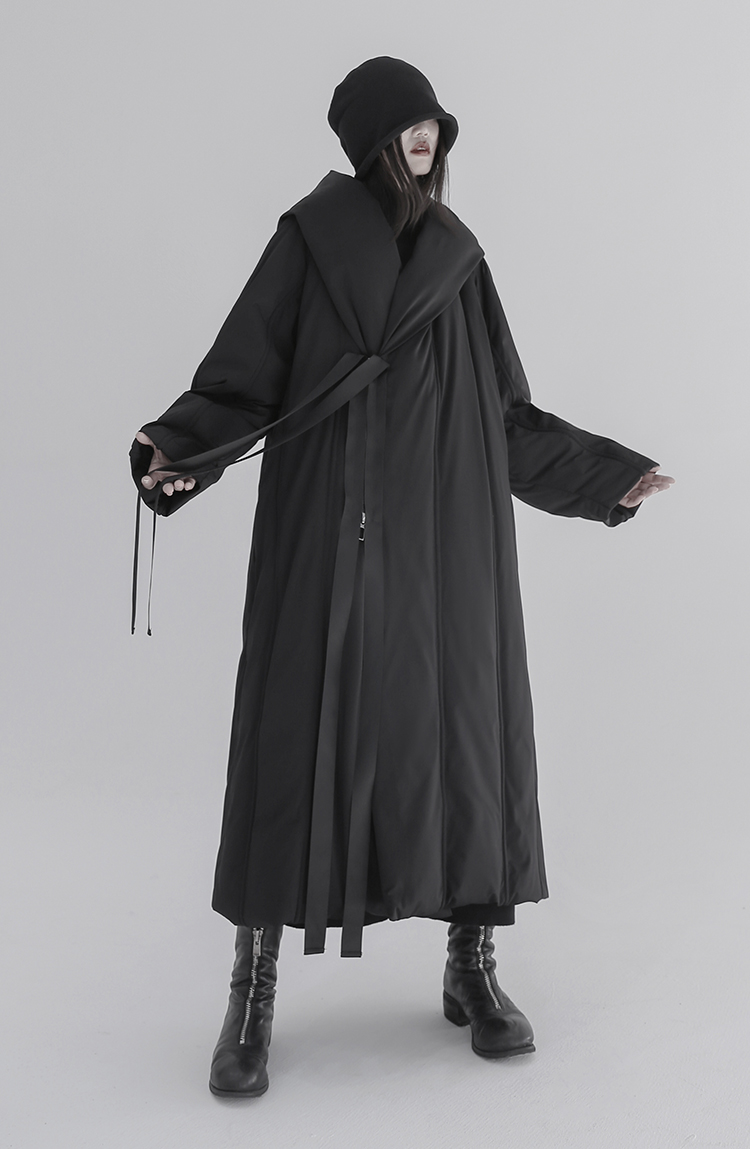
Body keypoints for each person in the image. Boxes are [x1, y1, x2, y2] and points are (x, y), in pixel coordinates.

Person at [130, 56, 674, 1098]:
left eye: (433, 124)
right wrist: (177, 448)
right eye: (405, 124)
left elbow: (504, 414)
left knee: (464, 737)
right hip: (324, 531)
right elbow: (242, 378)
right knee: (292, 734)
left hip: (448, 538)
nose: (425, 138)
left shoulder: (460, 258)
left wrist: (605, 476)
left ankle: (472, 965)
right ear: (366, 139)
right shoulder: (304, 241)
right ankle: (252, 987)